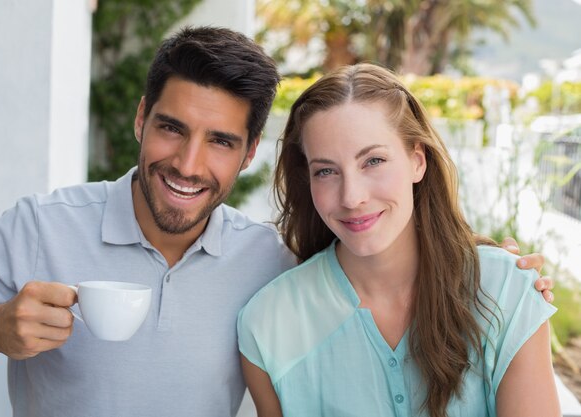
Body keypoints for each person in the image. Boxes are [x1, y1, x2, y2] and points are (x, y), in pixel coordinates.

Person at [0, 26, 550, 417]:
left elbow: (371, 242)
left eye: (219, 141)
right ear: (141, 119)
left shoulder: (268, 264)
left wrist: (489, 266)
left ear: (248, 153)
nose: (188, 164)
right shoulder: (38, 227)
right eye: (171, 127)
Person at [238, 63, 560, 417]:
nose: (351, 197)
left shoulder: (505, 291)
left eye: (373, 160)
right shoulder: (268, 323)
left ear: (417, 162)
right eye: (326, 171)